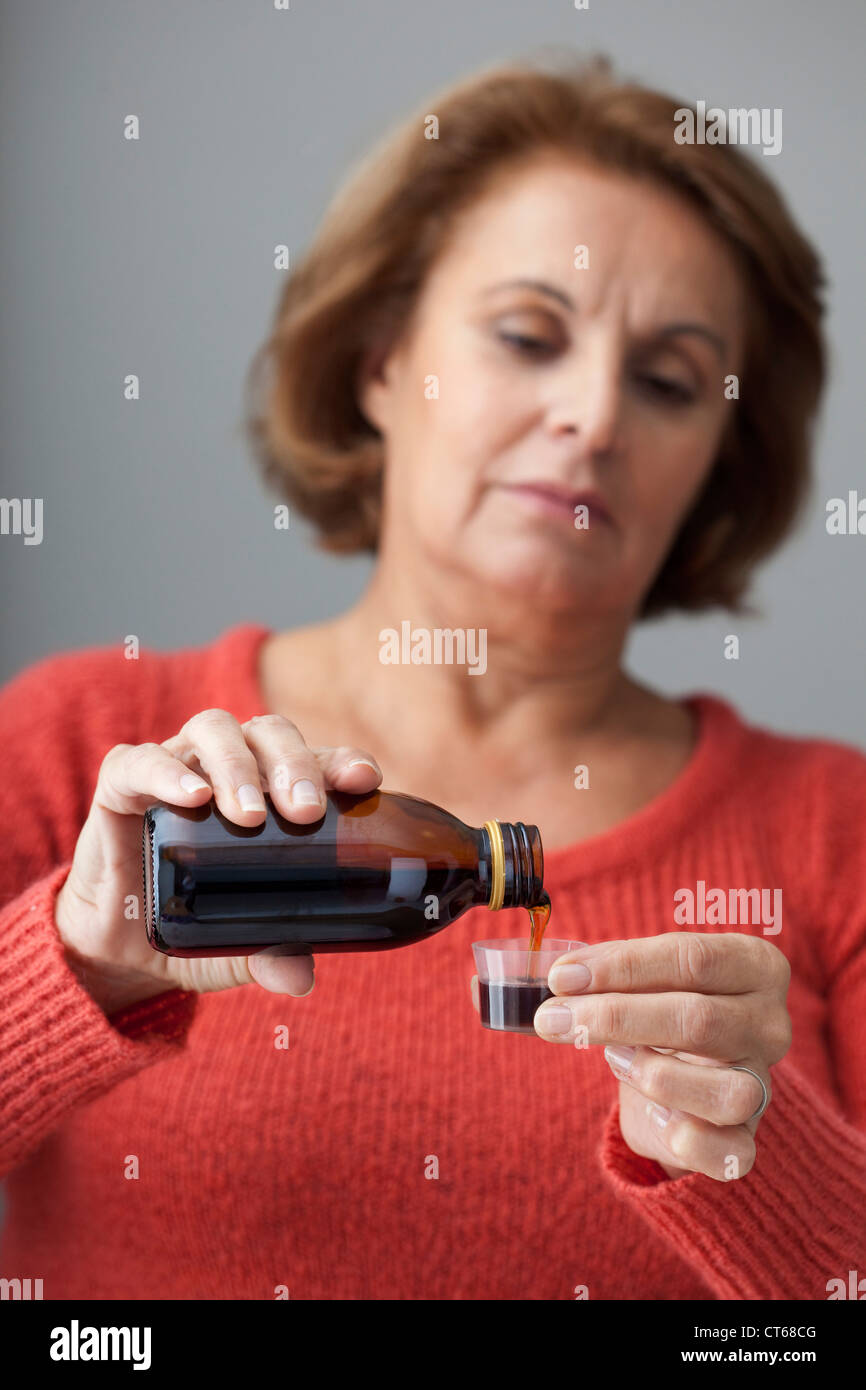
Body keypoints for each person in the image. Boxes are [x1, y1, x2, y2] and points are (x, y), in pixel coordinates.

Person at [1, 53, 864, 1302]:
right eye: (526, 336)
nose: (593, 417)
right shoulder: (84, 747)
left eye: (667, 381)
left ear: (717, 462)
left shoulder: (832, 832)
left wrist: (755, 1152)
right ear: (378, 363)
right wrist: (73, 965)